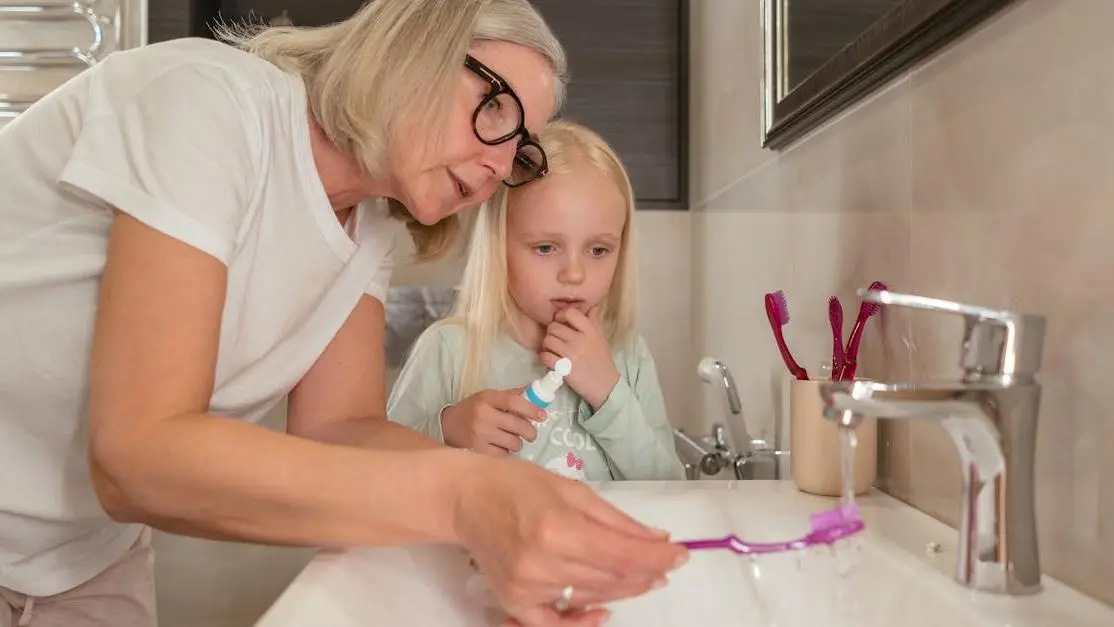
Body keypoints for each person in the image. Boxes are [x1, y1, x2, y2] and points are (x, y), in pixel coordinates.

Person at [0, 1, 688, 626]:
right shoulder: (209, 105)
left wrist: (512, 509)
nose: (497, 161)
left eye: (520, 147)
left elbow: (340, 430)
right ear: (413, 43)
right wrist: (469, 497)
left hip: (83, 562)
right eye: (496, 108)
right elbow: (137, 457)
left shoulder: (367, 235)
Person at [388, 120, 687, 483]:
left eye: (598, 249)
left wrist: (609, 394)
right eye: (545, 248)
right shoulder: (449, 350)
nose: (574, 274)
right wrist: (447, 429)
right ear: (499, 245)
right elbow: (383, 475)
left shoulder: (628, 355)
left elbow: (669, 488)